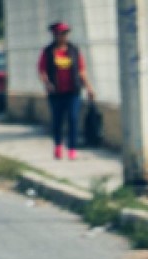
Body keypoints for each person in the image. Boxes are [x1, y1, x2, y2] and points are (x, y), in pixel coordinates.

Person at [37, 21, 95, 160]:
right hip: (56, 93)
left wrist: (89, 87)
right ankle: (58, 145)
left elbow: (81, 70)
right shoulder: (48, 51)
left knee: (73, 119)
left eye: (65, 33)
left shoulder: (74, 50)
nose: (63, 36)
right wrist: (47, 83)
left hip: (73, 91)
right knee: (57, 120)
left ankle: (72, 148)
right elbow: (42, 70)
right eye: (60, 34)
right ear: (55, 35)